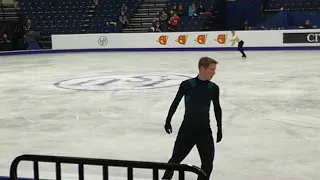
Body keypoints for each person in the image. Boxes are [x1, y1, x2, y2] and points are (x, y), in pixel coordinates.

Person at [162, 57, 223, 180]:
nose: (214, 73)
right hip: (187, 130)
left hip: (204, 131)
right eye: (212, 69)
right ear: (202, 68)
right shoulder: (187, 85)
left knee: (207, 165)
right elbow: (175, 102)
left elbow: (217, 108)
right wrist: (168, 120)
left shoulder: (213, 88)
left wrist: (219, 128)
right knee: (174, 161)